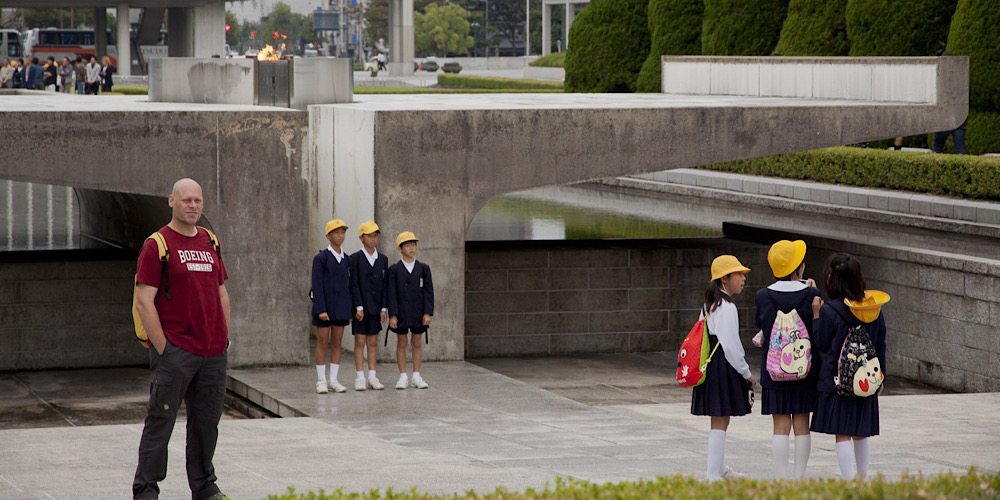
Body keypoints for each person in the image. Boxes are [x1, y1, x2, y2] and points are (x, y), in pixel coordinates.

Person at [132, 178, 230, 500]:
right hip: (176, 351)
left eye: (198, 201)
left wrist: (223, 338)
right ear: (171, 200)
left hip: (212, 353)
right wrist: (165, 348)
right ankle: (146, 490)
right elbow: (144, 300)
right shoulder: (157, 244)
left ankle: (204, 486)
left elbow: (221, 293)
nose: (193, 206)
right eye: (186, 200)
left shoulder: (210, 241)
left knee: (206, 425)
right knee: (160, 422)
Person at [810, 253, 887, 480]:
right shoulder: (873, 307)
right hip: (866, 377)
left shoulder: (829, 310)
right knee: (861, 432)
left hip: (838, 380)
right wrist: (880, 375)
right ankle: (862, 481)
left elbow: (822, 344)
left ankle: (848, 482)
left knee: (842, 432)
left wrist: (815, 314)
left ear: (832, 279)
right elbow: (880, 343)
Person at [753, 240, 823, 479]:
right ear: (800, 268)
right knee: (802, 423)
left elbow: (761, 326)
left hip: (775, 369)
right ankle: (798, 479)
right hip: (806, 368)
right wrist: (812, 289)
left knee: (780, 425)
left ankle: (781, 479)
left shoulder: (762, 296)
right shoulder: (812, 294)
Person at [691, 255, 757, 481]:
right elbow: (731, 345)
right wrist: (746, 372)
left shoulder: (710, 304)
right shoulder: (727, 307)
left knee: (721, 418)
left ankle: (719, 469)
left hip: (713, 365)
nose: (743, 278)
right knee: (720, 419)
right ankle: (713, 474)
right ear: (725, 278)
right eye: (739, 274)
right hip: (723, 366)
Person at [387, 231, 433, 390]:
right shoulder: (394, 269)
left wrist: (427, 312)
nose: (411, 248)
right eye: (407, 245)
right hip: (401, 311)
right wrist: (393, 314)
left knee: (417, 342)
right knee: (401, 342)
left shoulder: (423, 268)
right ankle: (402, 376)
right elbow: (391, 293)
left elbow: (428, 291)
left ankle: (416, 375)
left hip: (418, 311)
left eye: (413, 245)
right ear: (400, 249)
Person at [311, 219, 352, 394]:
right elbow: (317, 284)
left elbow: (350, 286)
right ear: (328, 236)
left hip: (341, 308)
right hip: (325, 308)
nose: (340, 236)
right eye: (336, 232)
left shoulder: (347, 259)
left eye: (342, 232)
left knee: (337, 342)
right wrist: (321, 309)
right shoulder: (321, 258)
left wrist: (349, 309)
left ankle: (334, 379)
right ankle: (321, 380)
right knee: (322, 342)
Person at [349, 221, 388, 391]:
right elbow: (354, 284)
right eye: (369, 235)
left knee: (372, 341)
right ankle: (360, 377)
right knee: (360, 341)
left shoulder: (383, 259)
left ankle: (372, 376)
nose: (373, 239)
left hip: (376, 306)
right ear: (361, 238)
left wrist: (384, 308)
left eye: (375, 236)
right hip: (361, 308)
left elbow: (385, 286)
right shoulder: (355, 258)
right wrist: (358, 306)